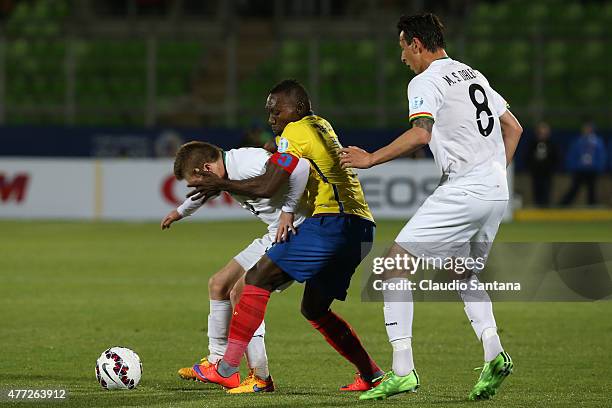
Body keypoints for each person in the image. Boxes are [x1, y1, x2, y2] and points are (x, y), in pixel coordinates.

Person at [340, 13, 522, 401]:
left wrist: (370, 159)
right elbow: (514, 128)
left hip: (466, 189)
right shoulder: (473, 74)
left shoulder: (424, 80)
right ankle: (494, 353)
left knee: (392, 265)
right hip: (495, 191)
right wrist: (491, 173)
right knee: (463, 274)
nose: (402, 57)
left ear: (416, 44)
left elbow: (421, 133)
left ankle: (403, 370)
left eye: (403, 47)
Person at [186, 79, 384, 392]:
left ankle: (227, 368)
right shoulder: (320, 125)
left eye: (276, 110)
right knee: (314, 309)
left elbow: (268, 186)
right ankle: (371, 375)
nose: (271, 118)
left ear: (298, 108)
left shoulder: (295, 131)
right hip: (362, 228)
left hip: (334, 222)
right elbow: (289, 162)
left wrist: (221, 185)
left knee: (257, 277)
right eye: (269, 112)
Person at [161, 141, 310, 393]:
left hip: (296, 232)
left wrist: (288, 210)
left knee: (242, 292)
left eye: (196, 182)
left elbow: (300, 166)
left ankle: (260, 377)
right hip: (274, 233)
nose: (198, 188)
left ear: (207, 168)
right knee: (218, 285)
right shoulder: (224, 172)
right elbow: (209, 191)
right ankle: (219, 364)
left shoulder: (248, 163)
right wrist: (179, 212)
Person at [560, 122, 607, 206]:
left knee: (592, 189)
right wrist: (572, 167)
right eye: (585, 128)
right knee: (574, 188)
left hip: (592, 169)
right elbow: (572, 155)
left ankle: (592, 205)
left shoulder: (597, 141)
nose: (586, 130)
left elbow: (601, 155)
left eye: (588, 128)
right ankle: (563, 204)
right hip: (580, 169)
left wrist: (599, 167)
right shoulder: (578, 141)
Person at [527, 122, 558, 207]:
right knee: (537, 189)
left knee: (547, 189)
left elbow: (556, 157)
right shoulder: (532, 143)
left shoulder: (551, 144)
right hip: (536, 171)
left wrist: (552, 167)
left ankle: (546, 206)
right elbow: (527, 156)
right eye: (541, 132)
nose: (542, 134)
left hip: (547, 172)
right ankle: (538, 205)